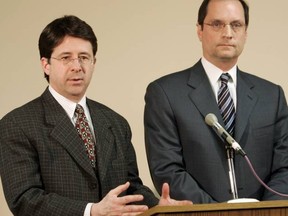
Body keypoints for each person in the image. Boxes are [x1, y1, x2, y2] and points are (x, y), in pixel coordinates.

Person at [0, 15, 192, 216]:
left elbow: (131, 187)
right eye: (66, 58)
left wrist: (157, 207)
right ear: (45, 64)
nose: (77, 66)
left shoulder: (115, 122)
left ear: (94, 62)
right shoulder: (17, 124)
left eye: (84, 57)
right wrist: (91, 211)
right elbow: (24, 200)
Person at [144, 0, 288, 204]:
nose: (228, 33)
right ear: (199, 30)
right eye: (217, 24)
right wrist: (217, 211)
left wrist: (265, 211)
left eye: (236, 25)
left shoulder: (272, 96)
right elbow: (167, 169)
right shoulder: (165, 93)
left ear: (245, 32)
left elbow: (284, 167)